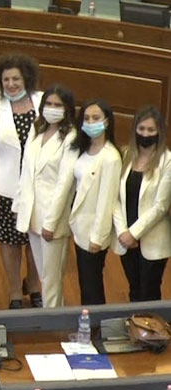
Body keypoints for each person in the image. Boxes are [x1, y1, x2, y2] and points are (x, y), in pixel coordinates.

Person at [0, 53, 43, 309]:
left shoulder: (43, 102)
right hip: (5, 189)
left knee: (35, 241)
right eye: (6, 79)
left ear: (25, 78)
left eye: (16, 78)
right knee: (10, 242)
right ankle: (15, 292)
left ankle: (36, 286)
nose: (11, 84)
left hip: (38, 189)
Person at [44, 99, 121, 306]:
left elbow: (107, 201)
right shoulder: (84, 149)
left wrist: (98, 237)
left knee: (91, 285)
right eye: (86, 118)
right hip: (79, 228)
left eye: (96, 118)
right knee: (85, 282)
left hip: (93, 233)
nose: (90, 122)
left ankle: (95, 328)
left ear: (106, 122)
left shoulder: (110, 157)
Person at [13, 85, 77, 308]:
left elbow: (64, 185)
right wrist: (19, 208)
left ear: (67, 109)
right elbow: (26, 171)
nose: (52, 108)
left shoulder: (71, 138)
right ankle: (55, 317)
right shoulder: (36, 130)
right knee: (43, 274)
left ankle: (54, 323)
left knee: (52, 278)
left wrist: (50, 222)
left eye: (58, 105)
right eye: (48, 104)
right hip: (32, 213)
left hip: (53, 218)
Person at [112, 106, 171, 302]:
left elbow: (161, 206)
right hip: (125, 238)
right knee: (134, 289)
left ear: (159, 132)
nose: (145, 134)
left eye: (150, 130)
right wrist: (123, 232)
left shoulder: (167, 160)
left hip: (152, 239)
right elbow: (115, 198)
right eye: (141, 129)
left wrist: (133, 233)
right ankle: (136, 329)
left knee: (149, 292)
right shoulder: (125, 154)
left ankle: (152, 330)